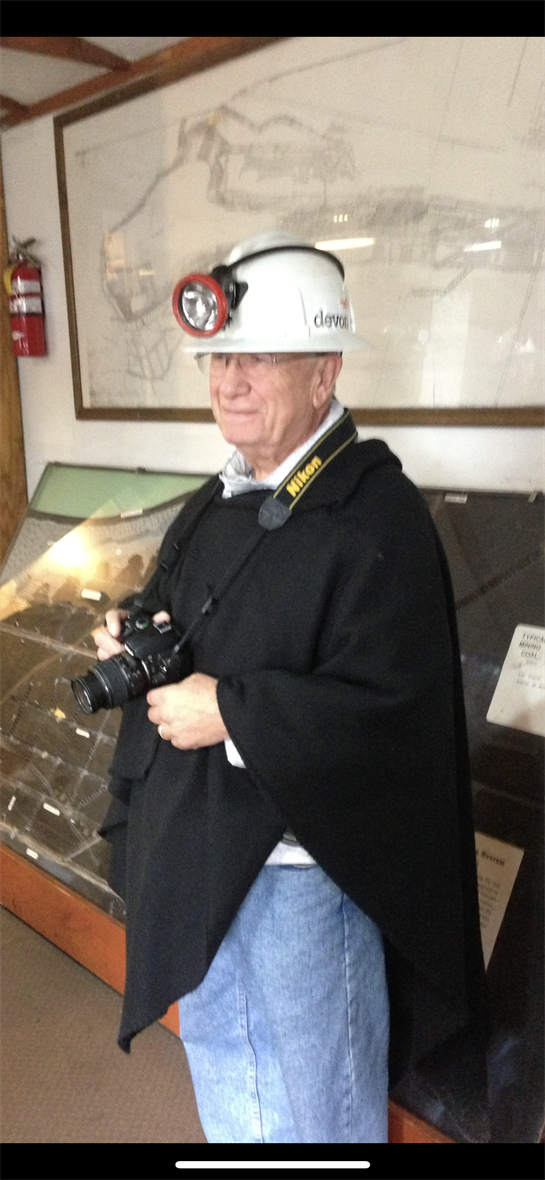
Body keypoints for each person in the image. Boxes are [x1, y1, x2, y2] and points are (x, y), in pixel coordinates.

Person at [95, 230, 487, 1144]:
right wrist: (133, 627)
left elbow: (391, 712)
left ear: (325, 370)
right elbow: (184, 610)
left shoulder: (373, 513)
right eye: (220, 356)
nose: (230, 379)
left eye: (259, 357)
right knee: (227, 1074)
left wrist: (229, 711)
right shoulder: (219, 497)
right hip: (198, 848)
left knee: (316, 1111)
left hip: (299, 881)